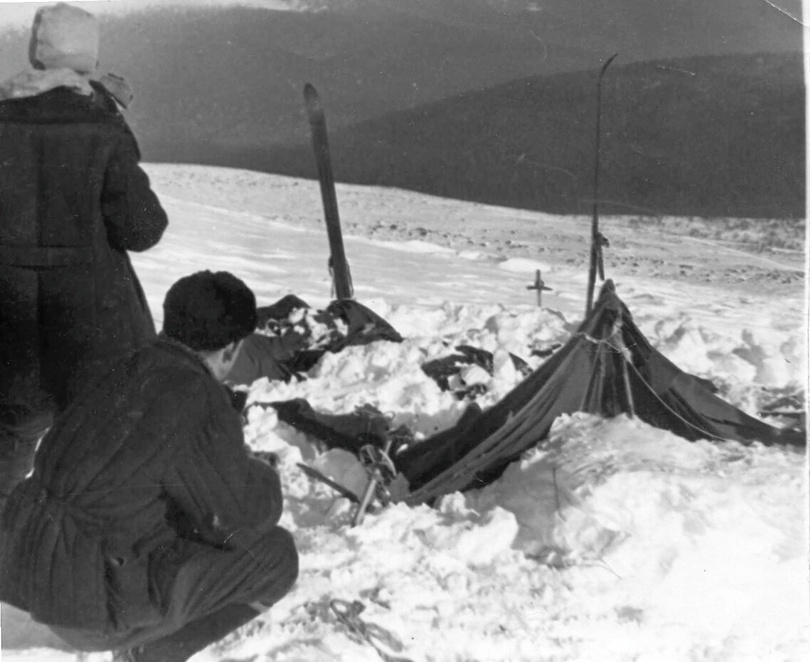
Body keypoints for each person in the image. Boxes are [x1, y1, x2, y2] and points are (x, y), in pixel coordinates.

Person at [0, 271, 299, 662]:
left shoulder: (122, 365)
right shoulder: (199, 395)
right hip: (89, 609)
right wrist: (263, 477)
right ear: (230, 349)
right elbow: (233, 524)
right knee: (276, 556)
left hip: (27, 568)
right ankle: (149, 653)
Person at [0, 2, 168, 501]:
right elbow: (143, 229)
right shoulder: (102, 127)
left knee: (9, 443)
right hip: (91, 331)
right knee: (94, 455)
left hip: (9, 329)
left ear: (36, 54)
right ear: (89, 58)